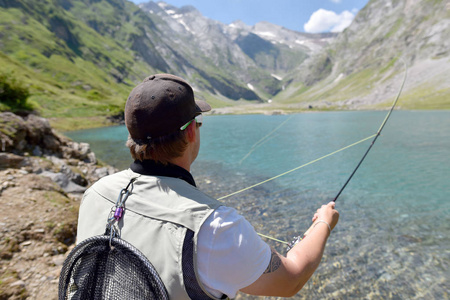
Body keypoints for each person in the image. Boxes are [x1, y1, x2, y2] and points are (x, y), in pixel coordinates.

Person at [76, 73, 339, 299]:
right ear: (191, 132)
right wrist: (323, 223)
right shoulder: (214, 226)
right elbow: (291, 279)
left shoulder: (95, 193)